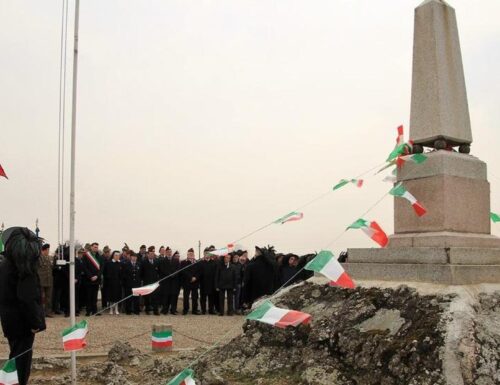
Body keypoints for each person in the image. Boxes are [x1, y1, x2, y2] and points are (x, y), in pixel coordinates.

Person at [0, 227, 46, 385]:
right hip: (23, 323)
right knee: (21, 362)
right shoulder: (25, 269)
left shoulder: (5, 265)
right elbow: (27, 299)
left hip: (9, 321)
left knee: (15, 356)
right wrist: (36, 323)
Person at [83, 242, 103, 316]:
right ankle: (88, 311)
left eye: (97, 247)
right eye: (94, 247)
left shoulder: (100, 257)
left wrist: (97, 276)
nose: (96, 248)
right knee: (88, 296)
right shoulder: (86, 256)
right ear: (91, 247)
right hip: (89, 279)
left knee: (95, 296)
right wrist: (90, 276)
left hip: (96, 280)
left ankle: (95, 311)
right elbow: (84, 267)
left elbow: (101, 268)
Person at [180, 248, 201, 315]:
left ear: (194, 254)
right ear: (187, 254)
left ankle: (194, 310)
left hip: (195, 282)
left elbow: (199, 272)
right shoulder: (183, 262)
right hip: (187, 282)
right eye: (189, 254)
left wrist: (195, 277)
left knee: (195, 297)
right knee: (186, 297)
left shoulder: (197, 262)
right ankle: (185, 309)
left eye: (192, 254)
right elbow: (183, 271)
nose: (191, 255)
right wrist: (191, 277)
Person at [103, 251, 122, 315]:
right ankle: (111, 309)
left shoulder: (120, 263)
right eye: (116, 255)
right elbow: (106, 273)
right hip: (110, 283)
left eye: (118, 255)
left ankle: (116, 309)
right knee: (111, 297)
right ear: (113, 256)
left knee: (117, 296)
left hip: (117, 283)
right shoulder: (109, 263)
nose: (117, 256)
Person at [141, 246, 160, 315]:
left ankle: (155, 310)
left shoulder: (156, 261)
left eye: (153, 254)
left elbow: (159, 271)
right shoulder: (144, 262)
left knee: (155, 297)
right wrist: (143, 280)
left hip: (155, 282)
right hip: (147, 282)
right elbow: (141, 272)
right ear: (148, 254)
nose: (152, 255)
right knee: (147, 297)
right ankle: (147, 310)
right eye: (151, 254)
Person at [199, 247, 217, 315]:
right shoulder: (201, 263)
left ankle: (211, 310)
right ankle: (203, 310)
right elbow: (199, 273)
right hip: (203, 283)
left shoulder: (214, 263)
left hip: (211, 283)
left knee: (211, 298)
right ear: (204, 254)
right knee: (203, 298)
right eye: (205, 253)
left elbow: (215, 274)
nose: (207, 254)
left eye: (208, 253)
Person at [38, 244, 53, 317]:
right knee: (41, 297)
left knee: (48, 298)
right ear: (45, 250)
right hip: (41, 281)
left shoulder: (48, 258)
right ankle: (41, 312)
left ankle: (48, 312)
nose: (48, 251)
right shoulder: (38, 258)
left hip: (49, 281)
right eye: (48, 250)